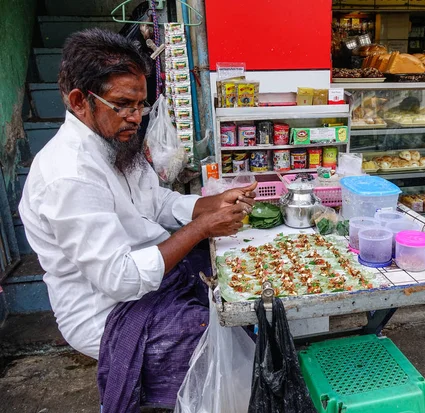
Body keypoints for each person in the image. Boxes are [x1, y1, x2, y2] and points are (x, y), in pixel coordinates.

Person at [18, 28, 255, 412]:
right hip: (106, 310)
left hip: (151, 278)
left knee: (238, 283)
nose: (135, 118)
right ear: (79, 101)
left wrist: (209, 204)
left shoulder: (113, 141)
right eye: (124, 105)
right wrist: (199, 229)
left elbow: (156, 201)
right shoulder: (70, 174)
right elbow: (121, 279)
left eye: (141, 106)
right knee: (208, 331)